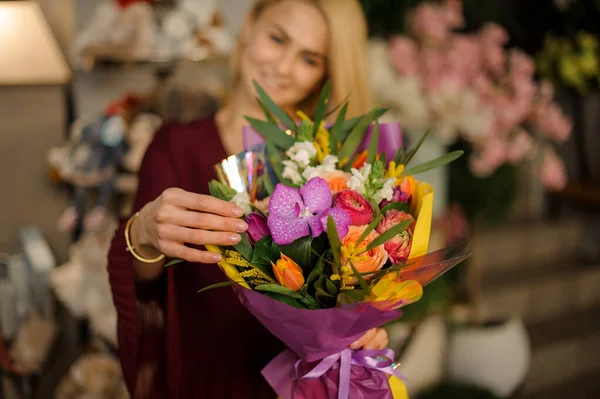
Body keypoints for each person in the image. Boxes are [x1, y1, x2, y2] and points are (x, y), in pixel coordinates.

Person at [107, 0, 388, 398]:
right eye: (277, 39)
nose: (284, 67)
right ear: (249, 25)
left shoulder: (336, 169)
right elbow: (148, 296)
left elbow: (353, 292)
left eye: (309, 59)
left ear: (326, 73)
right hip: (206, 382)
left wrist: (363, 329)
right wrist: (142, 232)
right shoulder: (175, 147)